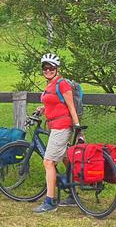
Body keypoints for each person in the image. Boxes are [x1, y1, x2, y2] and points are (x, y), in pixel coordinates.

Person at [33, 53, 81, 213]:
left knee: (48, 162)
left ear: (57, 69)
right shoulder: (49, 85)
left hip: (62, 126)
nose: (48, 70)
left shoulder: (62, 84)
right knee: (66, 159)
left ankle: (50, 201)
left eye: (51, 68)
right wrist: (42, 109)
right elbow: (54, 103)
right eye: (45, 68)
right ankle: (73, 194)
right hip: (55, 126)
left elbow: (71, 107)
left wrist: (78, 128)